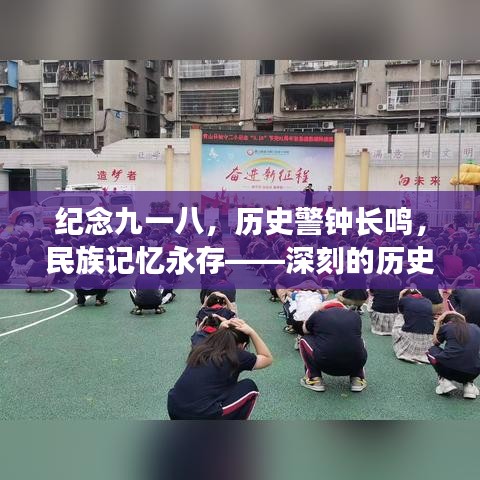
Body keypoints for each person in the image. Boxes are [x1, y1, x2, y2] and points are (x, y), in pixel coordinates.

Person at [167, 319, 273, 420]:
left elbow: (213, 337)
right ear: (242, 345)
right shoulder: (236, 354)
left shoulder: (202, 345)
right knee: (249, 386)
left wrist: (221, 330)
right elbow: (267, 358)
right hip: (200, 415)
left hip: (174, 407)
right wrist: (252, 332)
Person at [296, 300, 368, 393]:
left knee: (304, 339)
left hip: (326, 364)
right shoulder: (355, 315)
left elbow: (304, 330)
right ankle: (357, 379)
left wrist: (315, 313)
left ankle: (314, 379)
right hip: (354, 364)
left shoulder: (318, 314)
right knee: (359, 342)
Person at [428, 311, 480, 399]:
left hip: (449, 370)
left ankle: (444, 381)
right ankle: (469, 386)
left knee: (432, 350)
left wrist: (438, 323)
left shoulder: (447, 327)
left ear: (446, 322)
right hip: (473, 373)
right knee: (472, 355)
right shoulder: (476, 328)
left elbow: (435, 342)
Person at [392, 289, 434, 364]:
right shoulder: (428, 301)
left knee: (400, 317)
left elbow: (399, 311)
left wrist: (400, 296)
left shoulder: (404, 300)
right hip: (427, 341)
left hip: (410, 338)